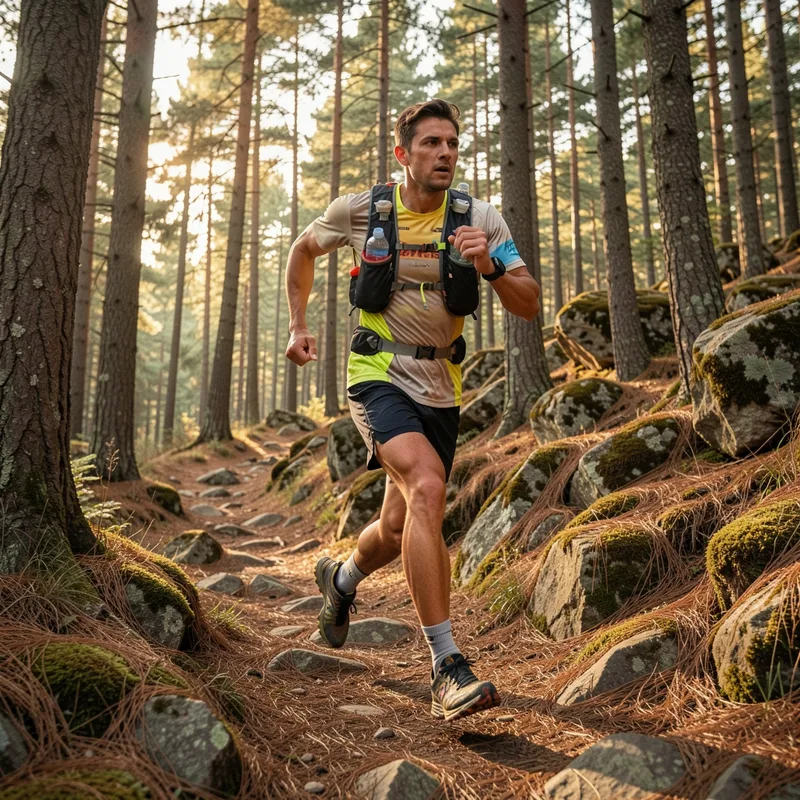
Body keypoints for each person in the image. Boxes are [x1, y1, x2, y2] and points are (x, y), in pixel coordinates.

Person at [284, 99, 540, 721]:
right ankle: (447, 664)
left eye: (452, 143)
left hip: (441, 384)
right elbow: (302, 249)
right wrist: (296, 325)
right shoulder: (364, 210)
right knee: (427, 486)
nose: (445, 153)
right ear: (403, 154)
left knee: (399, 529)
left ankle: (340, 581)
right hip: (377, 372)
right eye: (431, 143)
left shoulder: (480, 218)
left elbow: (529, 303)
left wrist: (486, 265)